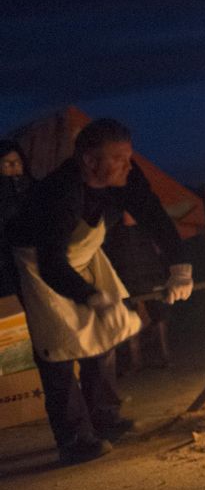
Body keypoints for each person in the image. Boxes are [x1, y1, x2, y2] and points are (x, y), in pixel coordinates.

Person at [6, 119, 194, 464]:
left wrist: (180, 267)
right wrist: (91, 297)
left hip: (85, 253)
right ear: (90, 162)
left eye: (129, 156)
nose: (128, 164)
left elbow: (153, 215)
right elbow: (51, 264)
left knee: (105, 330)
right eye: (119, 158)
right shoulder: (59, 193)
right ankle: (74, 438)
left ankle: (105, 418)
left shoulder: (125, 176)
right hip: (38, 261)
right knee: (58, 349)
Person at [0, 140, 33, 299]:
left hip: (32, 260)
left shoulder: (33, 187)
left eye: (18, 162)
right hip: (7, 266)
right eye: (7, 163)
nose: (14, 167)